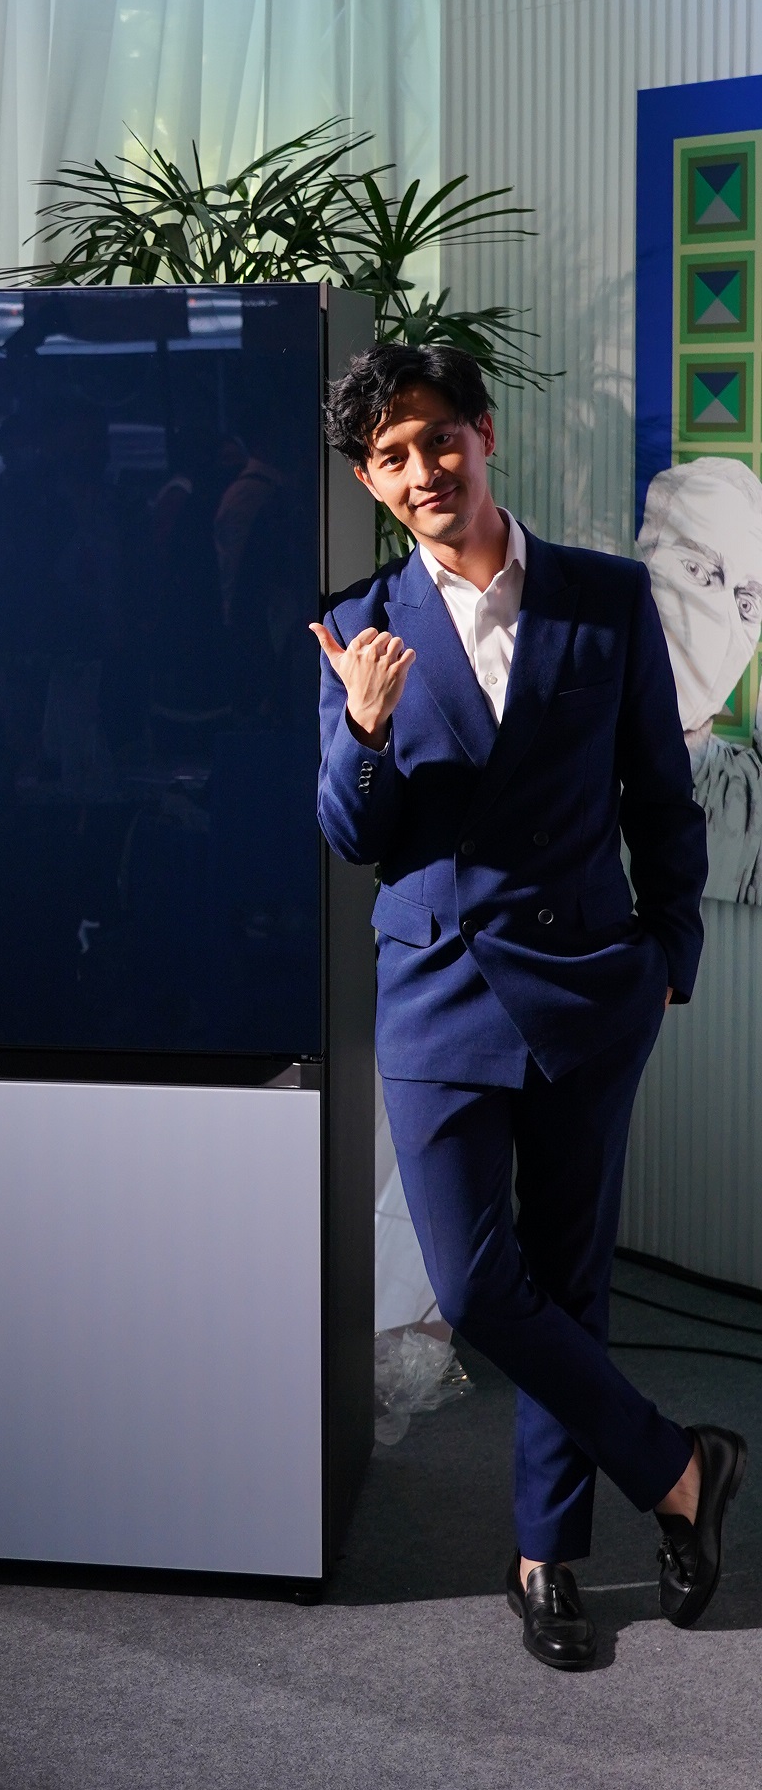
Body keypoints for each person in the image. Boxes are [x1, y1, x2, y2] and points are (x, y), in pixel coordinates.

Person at [312, 342, 744, 1671]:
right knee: (475, 1284)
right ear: (370, 481)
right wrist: (365, 730)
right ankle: (678, 1468)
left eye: (437, 439)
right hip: (438, 990)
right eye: (390, 456)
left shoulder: (605, 601)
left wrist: (667, 955)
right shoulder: (357, 623)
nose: (421, 471)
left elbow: (660, 804)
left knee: (567, 1278)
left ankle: (546, 1555)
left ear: (483, 434)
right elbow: (349, 836)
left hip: (587, 990)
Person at [637, 455, 762, 901]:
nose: (721, 627)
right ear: (644, 556)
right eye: (697, 571)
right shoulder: (571, 744)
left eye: (746, 606)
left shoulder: (745, 802)